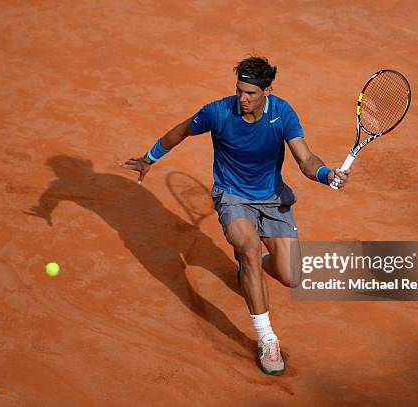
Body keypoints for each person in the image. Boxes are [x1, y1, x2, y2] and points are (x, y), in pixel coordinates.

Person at [121, 56, 351, 375]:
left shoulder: (282, 113)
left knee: (291, 275)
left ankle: (248, 271)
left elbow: (306, 158)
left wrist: (326, 174)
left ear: (267, 90)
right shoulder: (218, 112)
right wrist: (149, 158)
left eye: (251, 93)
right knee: (250, 250)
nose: (242, 99)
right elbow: (183, 129)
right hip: (232, 196)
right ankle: (266, 338)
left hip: (272, 198)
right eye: (239, 90)